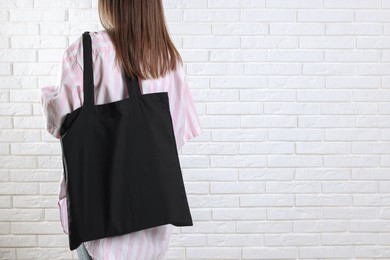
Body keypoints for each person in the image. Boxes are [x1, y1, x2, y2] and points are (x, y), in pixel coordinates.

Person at [40, 0, 203, 259]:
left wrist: (49, 96)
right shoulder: (169, 59)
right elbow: (176, 136)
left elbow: (59, 123)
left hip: (99, 224)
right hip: (154, 223)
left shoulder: (86, 52)